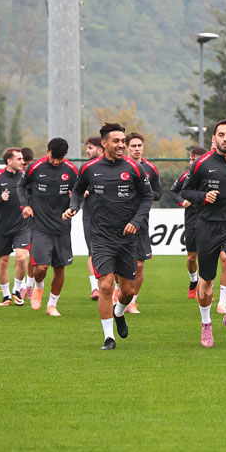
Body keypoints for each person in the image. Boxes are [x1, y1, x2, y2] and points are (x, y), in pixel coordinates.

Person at [65, 123, 154, 350]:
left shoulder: (135, 168)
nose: (121, 145)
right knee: (105, 286)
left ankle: (119, 311)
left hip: (127, 238)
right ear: (104, 143)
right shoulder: (89, 168)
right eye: (116, 141)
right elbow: (76, 190)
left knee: (128, 291)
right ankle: (108, 337)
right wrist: (74, 206)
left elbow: (147, 197)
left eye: (123, 141)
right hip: (101, 237)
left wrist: (135, 222)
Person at [179, 119, 226, 347]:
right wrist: (202, 197)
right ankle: (206, 323)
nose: (225, 138)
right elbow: (185, 190)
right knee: (207, 280)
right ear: (214, 139)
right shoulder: (201, 163)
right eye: (221, 135)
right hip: (207, 226)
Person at [18, 138, 78, 316]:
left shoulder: (72, 170)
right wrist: (25, 206)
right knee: (41, 267)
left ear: (65, 156)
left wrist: (73, 207)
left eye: (60, 159)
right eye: (53, 157)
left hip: (62, 227)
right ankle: (38, 286)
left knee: (60, 268)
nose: (56, 161)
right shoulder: (35, 167)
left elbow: (78, 193)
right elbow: (21, 186)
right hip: (40, 225)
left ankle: (52, 305)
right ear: (47, 151)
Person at [0, 147, 30, 306]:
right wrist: (0, 199)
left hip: (23, 225)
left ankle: (17, 290)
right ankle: (6, 295)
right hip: (3, 227)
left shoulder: (26, 177)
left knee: (22, 258)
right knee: (3, 262)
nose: (23, 162)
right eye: (19, 159)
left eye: (23, 159)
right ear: (9, 161)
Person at [124, 132, 161, 314]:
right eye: (133, 146)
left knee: (139, 264)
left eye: (140, 146)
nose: (137, 149)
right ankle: (120, 291)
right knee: (119, 264)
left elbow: (158, 193)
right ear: (127, 148)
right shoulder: (120, 167)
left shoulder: (151, 169)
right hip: (120, 222)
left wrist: (145, 195)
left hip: (142, 222)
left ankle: (132, 301)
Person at [169, 146, 207, 299]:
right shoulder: (185, 176)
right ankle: (193, 281)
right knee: (192, 257)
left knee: (206, 256)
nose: (192, 162)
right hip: (192, 220)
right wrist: (182, 201)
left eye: (195, 159)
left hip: (209, 220)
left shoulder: (212, 177)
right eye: (191, 159)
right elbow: (173, 192)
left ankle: (204, 287)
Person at [81, 136, 104, 300]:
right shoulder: (85, 168)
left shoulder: (114, 167)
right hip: (90, 216)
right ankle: (95, 288)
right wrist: (81, 193)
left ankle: (116, 289)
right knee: (92, 252)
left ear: (100, 149)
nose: (87, 151)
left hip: (111, 217)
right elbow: (75, 190)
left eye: (90, 148)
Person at [20, 147, 37, 299]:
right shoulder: (16, 177)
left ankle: (29, 284)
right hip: (18, 221)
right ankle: (19, 285)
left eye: (27, 164)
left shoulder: (37, 174)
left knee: (32, 254)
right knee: (20, 255)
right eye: (22, 164)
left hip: (35, 219)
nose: (24, 167)